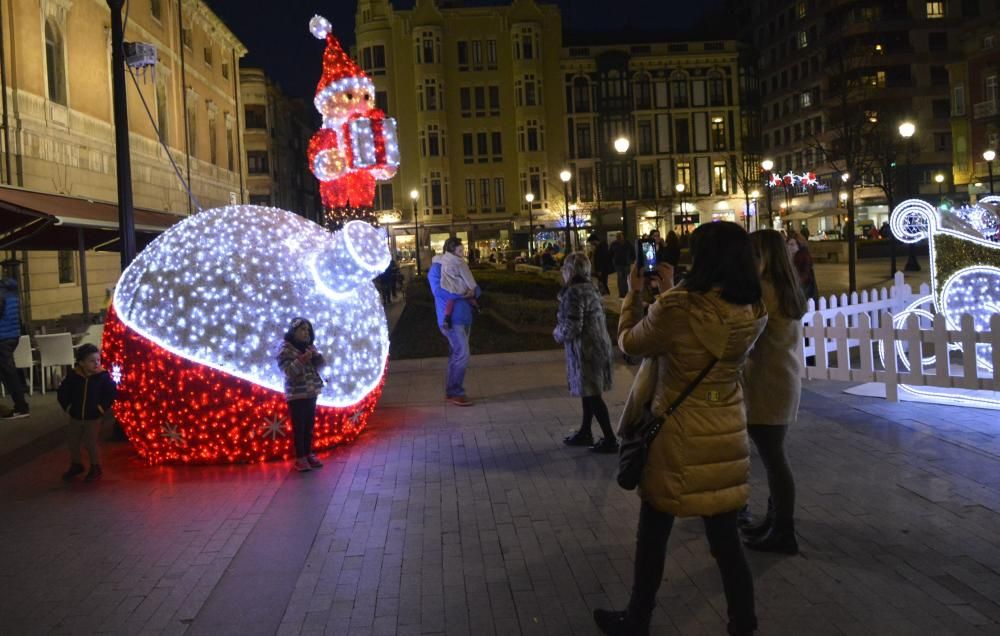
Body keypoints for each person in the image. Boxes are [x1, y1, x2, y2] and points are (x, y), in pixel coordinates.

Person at [596, 221, 766, 636]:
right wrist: (673, 291)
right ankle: (743, 624)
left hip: (678, 432)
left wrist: (637, 293)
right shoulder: (751, 308)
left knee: (653, 534)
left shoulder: (680, 307)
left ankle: (637, 620)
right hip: (725, 429)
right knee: (726, 543)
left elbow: (631, 344)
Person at [741, 230, 807, 555]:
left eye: (753, 253)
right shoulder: (787, 286)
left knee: (774, 459)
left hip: (769, 382)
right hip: (783, 379)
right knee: (773, 457)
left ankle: (784, 530)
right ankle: (775, 520)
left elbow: (744, 336)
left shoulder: (764, 291)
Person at [555, 253, 617, 453]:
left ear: (571, 271)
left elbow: (572, 326)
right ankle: (585, 431)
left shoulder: (574, 292)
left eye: (565, 267)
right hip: (599, 345)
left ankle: (609, 438)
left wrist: (557, 333)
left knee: (593, 395)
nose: (563, 271)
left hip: (586, 350)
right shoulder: (592, 288)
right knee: (589, 392)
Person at [429, 238, 480, 406]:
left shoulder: (461, 265)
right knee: (463, 353)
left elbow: (476, 289)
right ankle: (455, 391)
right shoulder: (437, 268)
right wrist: (463, 293)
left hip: (465, 317)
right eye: (459, 250)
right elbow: (439, 291)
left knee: (456, 354)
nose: (462, 253)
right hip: (450, 320)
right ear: (449, 251)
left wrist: (472, 292)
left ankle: (451, 391)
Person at [57, 344, 117, 482]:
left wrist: (100, 409)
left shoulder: (103, 377)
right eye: (92, 361)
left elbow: (110, 393)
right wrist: (68, 408)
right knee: (72, 441)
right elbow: (63, 392)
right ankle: (76, 464)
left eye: (98, 360)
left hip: (93, 417)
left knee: (91, 442)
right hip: (76, 417)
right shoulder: (73, 376)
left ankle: (96, 466)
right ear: (81, 363)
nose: (96, 363)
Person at [277, 317, 326, 472]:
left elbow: (320, 367)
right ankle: (300, 457)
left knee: (309, 426)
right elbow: (289, 371)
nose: (306, 333)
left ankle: (309, 453)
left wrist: (317, 357)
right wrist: (302, 359)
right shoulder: (286, 349)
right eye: (302, 330)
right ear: (294, 331)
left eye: (308, 330)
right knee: (300, 427)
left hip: (311, 392)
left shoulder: (309, 347)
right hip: (297, 395)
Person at [0, 277, 29, 420]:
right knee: (8, 371)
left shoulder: (1, 294)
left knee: (9, 373)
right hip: (13, 336)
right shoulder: (12, 292)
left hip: (2, 337)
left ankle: (21, 407)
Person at [433, 244, 479, 328]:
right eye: (460, 251)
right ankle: (476, 307)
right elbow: (467, 277)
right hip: (460, 286)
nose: (462, 253)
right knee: (468, 296)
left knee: (450, 300)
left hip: (449, 286)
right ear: (453, 251)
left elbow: (436, 259)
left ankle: (447, 318)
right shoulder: (460, 262)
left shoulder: (444, 259)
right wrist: (472, 287)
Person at [786, 233, 818, 301]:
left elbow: (803, 276)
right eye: (788, 244)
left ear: (799, 245)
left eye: (792, 244)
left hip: (804, 293)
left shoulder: (803, 258)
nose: (789, 247)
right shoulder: (789, 258)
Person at [609, 232, 635, 299]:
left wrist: (632, 259)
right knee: (620, 279)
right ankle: (622, 293)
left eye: (620, 236)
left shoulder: (627, 243)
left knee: (626, 278)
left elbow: (632, 251)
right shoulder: (614, 244)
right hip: (618, 264)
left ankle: (626, 292)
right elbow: (611, 253)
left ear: (623, 236)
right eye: (618, 237)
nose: (619, 238)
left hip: (626, 263)